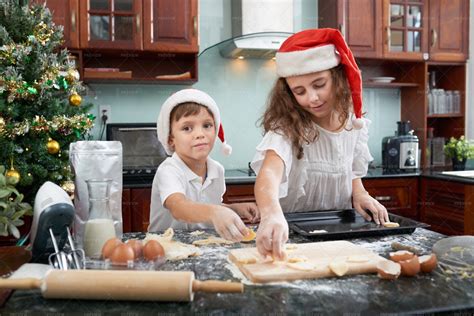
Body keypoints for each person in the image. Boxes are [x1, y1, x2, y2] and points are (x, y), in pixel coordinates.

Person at [251, 29, 388, 259]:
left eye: (319, 84)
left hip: (341, 231)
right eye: (299, 91)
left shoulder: (353, 123)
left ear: (337, 78)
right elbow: (269, 174)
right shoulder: (288, 127)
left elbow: (351, 171)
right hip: (292, 235)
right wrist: (270, 213)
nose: (312, 98)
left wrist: (361, 194)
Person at [149, 88, 259, 241]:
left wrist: (234, 209)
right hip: (165, 246)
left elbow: (208, 207)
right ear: (170, 139)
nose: (200, 134)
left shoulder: (217, 170)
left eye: (207, 125)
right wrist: (215, 212)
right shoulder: (169, 170)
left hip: (201, 245)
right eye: (187, 128)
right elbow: (179, 207)